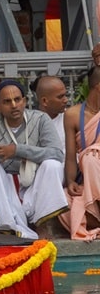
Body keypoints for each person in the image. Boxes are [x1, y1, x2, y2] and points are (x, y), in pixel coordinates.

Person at [0, 79, 67, 239]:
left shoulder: (40, 119)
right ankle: (3, 223)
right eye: (7, 101)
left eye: (17, 99)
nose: (14, 105)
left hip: (33, 182)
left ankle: (41, 222)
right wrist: (6, 152)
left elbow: (57, 153)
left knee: (53, 165)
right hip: (4, 182)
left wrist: (18, 150)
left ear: (24, 101)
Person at [60, 65, 100, 239]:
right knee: (63, 200)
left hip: (94, 169)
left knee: (91, 157)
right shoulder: (72, 114)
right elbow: (70, 156)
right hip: (86, 179)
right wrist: (70, 181)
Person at [33, 74, 68, 150]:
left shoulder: (71, 118)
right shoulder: (31, 124)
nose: (66, 100)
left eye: (65, 95)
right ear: (44, 101)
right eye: (60, 97)